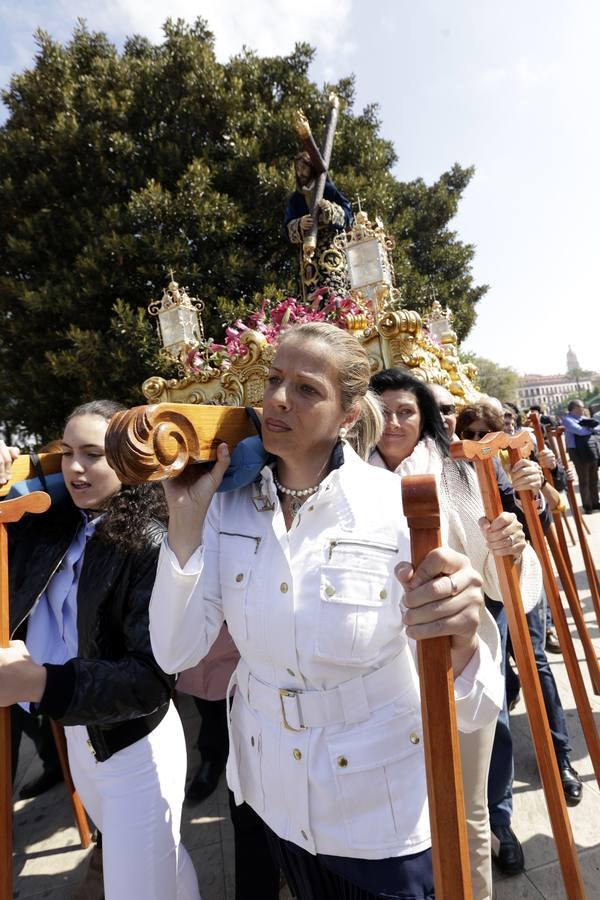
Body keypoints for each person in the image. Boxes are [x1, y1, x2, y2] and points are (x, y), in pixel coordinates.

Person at [149, 321, 504, 900]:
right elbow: (176, 650)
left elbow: (474, 704)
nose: (278, 399)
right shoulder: (227, 509)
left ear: (347, 414)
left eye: (307, 389)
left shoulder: (399, 507)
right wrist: (185, 524)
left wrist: (462, 637)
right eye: (273, 379)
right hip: (272, 797)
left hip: (378, 812)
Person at [0, 400, 200, 900]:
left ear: (128, 461)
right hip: (80, 743)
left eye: (93, 454)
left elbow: (150, 679)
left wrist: (42, 683)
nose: (74, 467)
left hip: (135, 748)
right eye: (67, 453)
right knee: (165, 869)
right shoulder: (51, 523)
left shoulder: (152, 541)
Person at [368, 370, 542, 899]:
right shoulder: (344, 479)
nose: (395, 423)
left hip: (455, 661)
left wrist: (509, 543)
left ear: (423, 417)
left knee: (465, 810)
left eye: (407, 411)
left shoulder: (454, 474)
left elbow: (496, 575)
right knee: (394, 814)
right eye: (385, 412)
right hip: (378, 674)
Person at [455, 402, 583, 876]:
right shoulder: (452, 471)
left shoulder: (514, 463)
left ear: (503, 431)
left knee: (536, 665)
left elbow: (554, 508)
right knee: (492, 689)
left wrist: (543, 484)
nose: (478, 439)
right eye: (468, 431)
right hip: (479, 590)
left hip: (523, 580)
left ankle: (561, 757)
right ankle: (499, 816)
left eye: (486, 430)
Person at [285, 151, 353, 299]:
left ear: (311, 168)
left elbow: (349, 215)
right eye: (297, 169)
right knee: (310, 293)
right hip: (309, 257)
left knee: (334, 289)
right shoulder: (295, 199)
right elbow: (288, 226)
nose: (300, 172)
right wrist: (299, 224)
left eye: (303, 168)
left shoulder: (328, 190)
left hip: (332, 250)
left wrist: (331, 210)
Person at [562, 398, 600, 513]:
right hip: (577, 451)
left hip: (591, 450)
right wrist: (591, 428)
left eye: (582, 407)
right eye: (580, 407)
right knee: (584, 479)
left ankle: (595, 503)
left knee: (594, 478)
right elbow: (579, 431)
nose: (582, 409)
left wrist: (590, 428)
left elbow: (598, 428)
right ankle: (587, 505)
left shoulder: (584, 419)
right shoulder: (567, 419)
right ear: (573, 409)